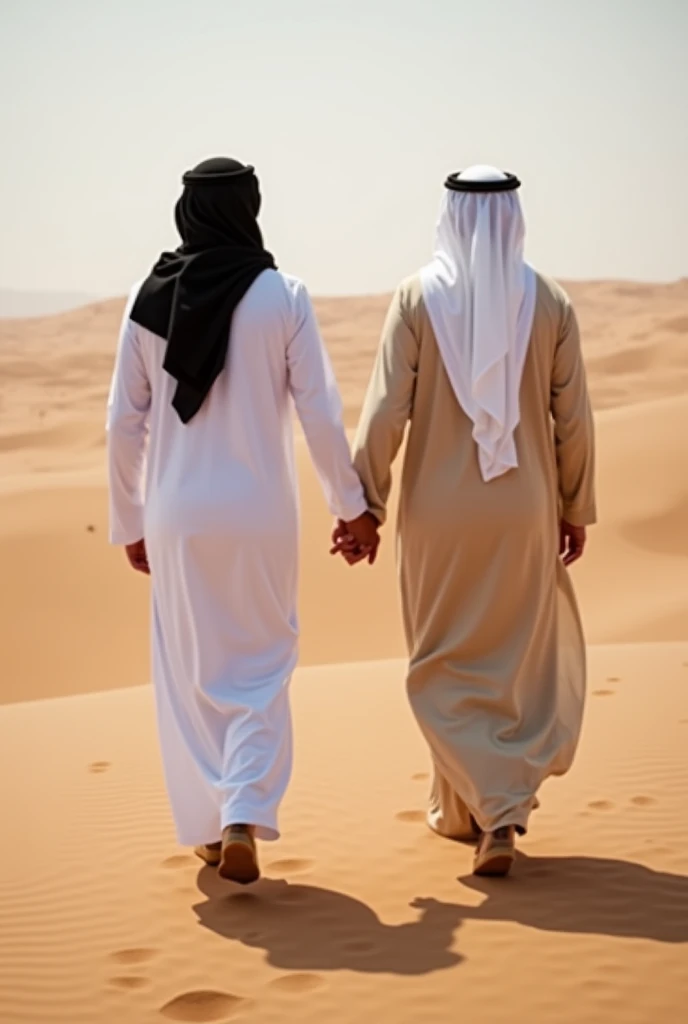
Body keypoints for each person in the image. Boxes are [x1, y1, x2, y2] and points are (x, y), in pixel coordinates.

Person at [107, 157, 378, 885]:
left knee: (191, 666)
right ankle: (240, 810)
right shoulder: (283, 295)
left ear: (185, 212)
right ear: (249, 208)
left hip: (174, 513)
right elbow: (320, 412)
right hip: (259, 513)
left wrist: (128, 518)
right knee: (261, 662)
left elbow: (121, 424)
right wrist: (350, 510)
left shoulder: (145, 297)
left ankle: (209, 821)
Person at [332, 166, 596, 877]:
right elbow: (571, 418)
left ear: (451, 215)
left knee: (443, 658)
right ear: (513, 218)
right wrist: (575, 504)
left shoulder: (418, 297)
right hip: (524, 507)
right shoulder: (550, 302)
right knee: (508, 661)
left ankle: (499, 812)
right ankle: (463, 811)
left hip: (440, 512)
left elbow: (387, 410)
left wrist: (363, 505)